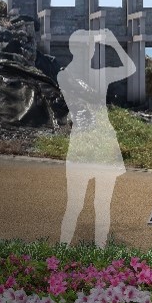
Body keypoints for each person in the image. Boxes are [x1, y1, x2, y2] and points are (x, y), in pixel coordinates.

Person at [58, 28, 136, 247]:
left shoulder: (64, 74)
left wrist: (110, 42)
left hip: (84, 142)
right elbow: (130, 68)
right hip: (101, 142)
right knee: (98, 205)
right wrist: (113, 43)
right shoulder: (81, 76)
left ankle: (65, 254)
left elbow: (131, 68)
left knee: (77, 205)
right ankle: (98, 257)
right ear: (89, 50)